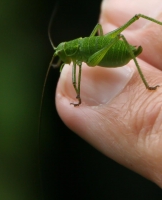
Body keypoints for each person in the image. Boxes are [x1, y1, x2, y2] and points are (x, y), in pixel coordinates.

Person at [56, 0, 162, 188]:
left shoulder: (79, 56)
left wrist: (78, 95)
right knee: (98, 29)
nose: (63, 57)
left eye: (63, 54)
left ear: (70, 50)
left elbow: (75, 77)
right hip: (99, 50)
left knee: (125, 26)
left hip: (111, 53)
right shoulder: (75, 51)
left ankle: (147, 84)